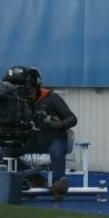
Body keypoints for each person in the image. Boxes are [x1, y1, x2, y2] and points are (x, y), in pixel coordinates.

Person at [21, 70, 78, 200]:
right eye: (26, 89)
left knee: (56, 151)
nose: (29, 92)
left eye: (31, 88)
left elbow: (73, 118)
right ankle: (35, 178)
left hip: (55, 138)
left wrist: (61, 124)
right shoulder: (21, 101)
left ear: (37, 86)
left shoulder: (52, 98)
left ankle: (58, 184)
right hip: (35, 140)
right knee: (10, 150)